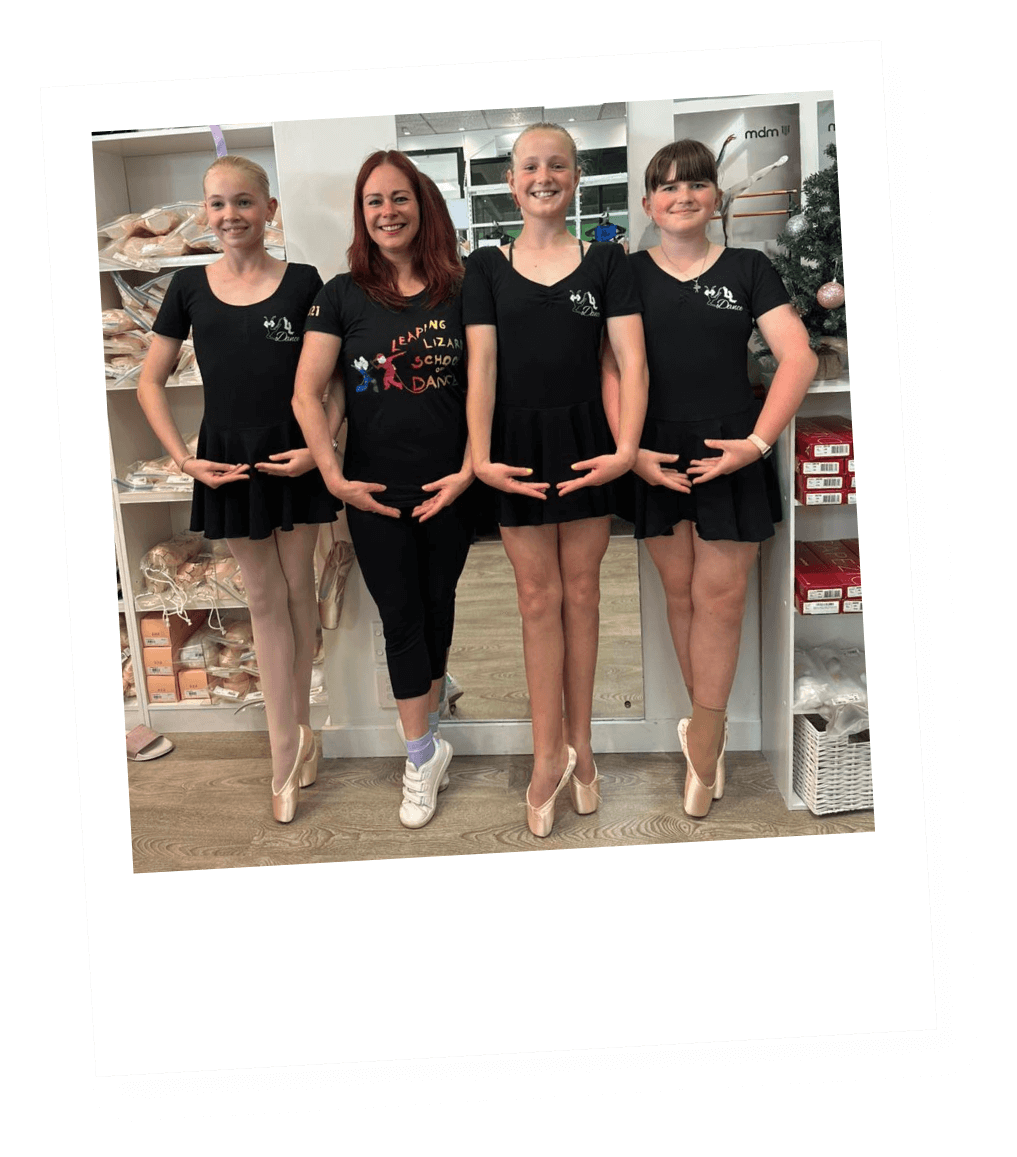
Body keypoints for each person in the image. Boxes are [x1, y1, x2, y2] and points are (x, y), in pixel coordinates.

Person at [606, 138, 817, 818]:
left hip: (730, 444)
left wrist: (756, 444)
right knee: (681, 593)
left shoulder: (749, 268)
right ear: (647, 203)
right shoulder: (626, 273)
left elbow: (796, 358)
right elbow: (608, 367)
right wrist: (630, 448)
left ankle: (704, 733)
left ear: (714, 199)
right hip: (653, 451)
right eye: (666, 186)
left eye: (695, 183)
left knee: (720, 597)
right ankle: (707, 729)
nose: (681, 195)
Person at [137, 154, 340, 825]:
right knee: (262, 598)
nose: (230, 216)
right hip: (225, 459)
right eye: (217, 204)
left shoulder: (306, 282)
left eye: (244, 202)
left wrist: (319, 448)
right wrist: (183, 460)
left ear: (270, 209)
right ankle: (283, 750)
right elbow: (149, 380)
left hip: (293, 456)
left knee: (298, 590)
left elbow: (331, 384)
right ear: (204, 213)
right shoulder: (189, 287)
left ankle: (299, 730)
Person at [462, 123, 647, 837]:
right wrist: (478, 454)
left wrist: (626, 446)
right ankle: (547, 756)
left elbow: (628, 361)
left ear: (574, 177)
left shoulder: (607, 262)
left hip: (588, 443)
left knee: (582, 595)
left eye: (557, 165)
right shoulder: (484, 267)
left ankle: (586, 749)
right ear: (510, 181)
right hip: (513, 442)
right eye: (530, 166)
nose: (543, 175)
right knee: (536, 600)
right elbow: (481, 367)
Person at [293, 150, 474, 830]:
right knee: (400, 615)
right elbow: (307, 392)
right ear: (361, 214)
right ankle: (420, 753)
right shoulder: (341, 294)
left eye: (398, 198)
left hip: (453, 486)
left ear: (420, 205)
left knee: (437, 606)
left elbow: (487, 386)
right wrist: (335, 475)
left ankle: (429, 709)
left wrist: (467, 471)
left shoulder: (460, 287)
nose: (387, 211)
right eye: (374, 201)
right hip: (372, 489)